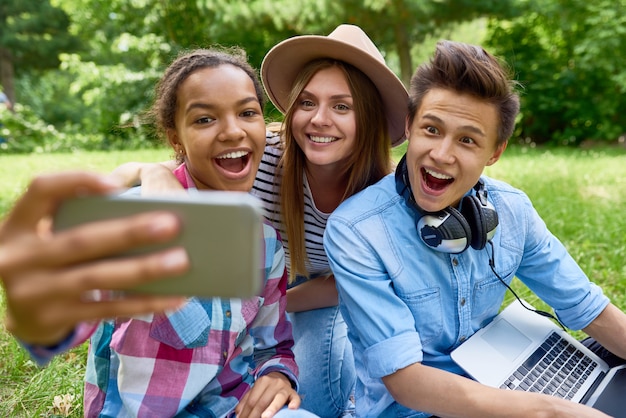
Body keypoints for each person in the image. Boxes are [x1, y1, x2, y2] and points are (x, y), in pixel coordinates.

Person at [0, 48, 319, 418]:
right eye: (204, 119)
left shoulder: (264, 242)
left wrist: (278, 375)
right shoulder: (134, 221)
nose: (233, 131)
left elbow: (272, 346)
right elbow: (61, 318)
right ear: (175, 138)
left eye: (247, 113)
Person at [111, 24, 409, 418]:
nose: (320, 120)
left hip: (320, 291)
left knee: (319, 396)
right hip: (253, 281)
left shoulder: (381, 199)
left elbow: (342, 292)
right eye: (307, 102)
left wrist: (255, 319)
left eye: (342, 106)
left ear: (368, 118)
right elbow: (170, 170)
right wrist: (151, 174)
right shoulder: (257, 151)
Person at [323, 40, 626, 417]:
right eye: (431, 130)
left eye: (467, 140)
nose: (442, 154)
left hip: (505, 388)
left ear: (495, 152)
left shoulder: (512, 209)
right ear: (409, 126)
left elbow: (589, 310)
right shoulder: (356, 230)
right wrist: (553, 410)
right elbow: (407, 383)